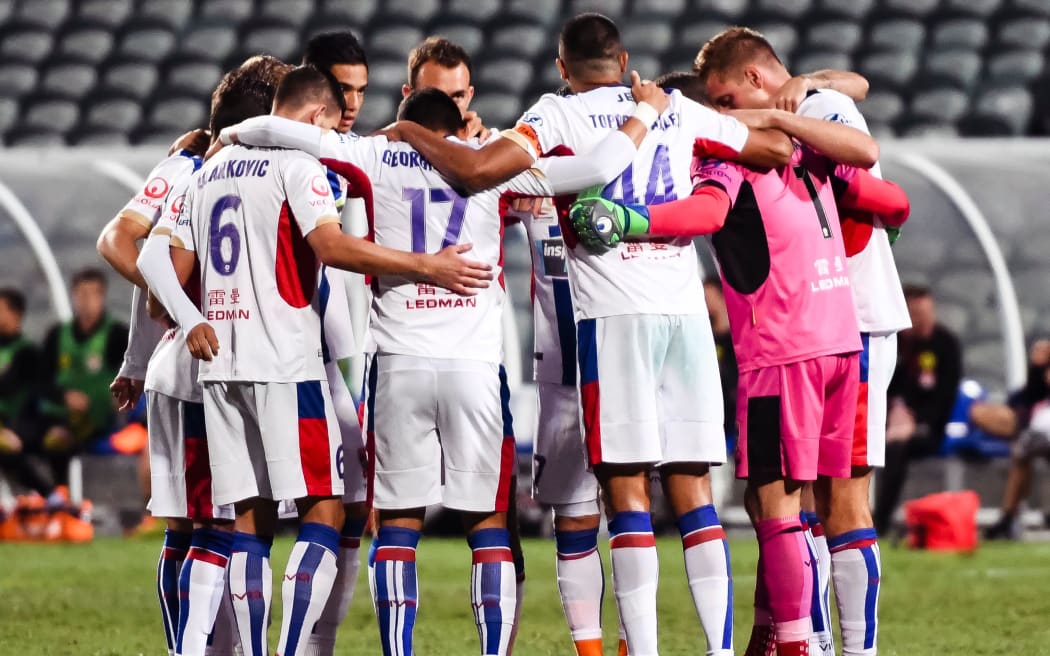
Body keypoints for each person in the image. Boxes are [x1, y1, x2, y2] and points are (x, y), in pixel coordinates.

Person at [378, 13, 799, 656]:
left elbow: (482, 170)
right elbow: (773, 150)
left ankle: (635, 649)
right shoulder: (672, 110)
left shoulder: (548, 119)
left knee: (622, 498)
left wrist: (414, 132)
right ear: (625, 59)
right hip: (667, 321)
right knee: (684, 499)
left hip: (609, 322)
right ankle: (702, 648)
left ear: (560, 67)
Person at [147, 66, 496, 656]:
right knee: (326, 512)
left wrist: (190, 318)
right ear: (316, 119)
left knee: (249, 523)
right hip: (287, 362)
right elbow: (331, 247)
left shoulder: (207, 171)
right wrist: (427, 265)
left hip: (221, 366)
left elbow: (157, 261)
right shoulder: (298, 168)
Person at [568, 95, 907, 656]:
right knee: (819, 505)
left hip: (782, 348)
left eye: (721, 102)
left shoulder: (729, 156)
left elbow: (707, 212)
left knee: (781, 508)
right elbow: (891, 199)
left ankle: (802, 644)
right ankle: (801, 641)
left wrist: (633, 220)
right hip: (846, 340)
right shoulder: (815, 145)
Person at [694, 26, 903, 656]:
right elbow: (853, 89)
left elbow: (864, 158)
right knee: (789, 502)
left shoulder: (812, 111)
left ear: (755, 81)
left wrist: (782, 104)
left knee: (840, 500)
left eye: (726, 99)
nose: (727, 114)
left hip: (850, 318)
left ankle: (848, 647)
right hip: (827, 319)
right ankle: (799, 635)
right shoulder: (805, 99)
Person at [301, 32, 373, 655]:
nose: (352, 102)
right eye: (342, 88)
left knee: (354, 508)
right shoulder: (294, 155)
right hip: (292, 352)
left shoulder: (356, 154)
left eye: (360, 90)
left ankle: (318, 645)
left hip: (337, 357)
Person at [875, 284, 963, 537]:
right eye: (914, 314)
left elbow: (945, 397)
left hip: (928, 427)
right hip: (889, 421)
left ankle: (880, 521)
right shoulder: (895, 344)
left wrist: (914, 420)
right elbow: (883, 385)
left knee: (896, 448)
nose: (920, 320)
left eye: (924, 313)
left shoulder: (946, 345)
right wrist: (893, 413)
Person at [39, 268, 129, 477]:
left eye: (93, 294)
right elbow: (41, 381)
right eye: (81, 294)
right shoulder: (57, 335)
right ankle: (55, 498)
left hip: (103, 418)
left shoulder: (118, 334)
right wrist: (64, 396)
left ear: (102, 296)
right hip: (62, 416)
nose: (87, 300)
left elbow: (136, 373)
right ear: (73, 296)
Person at [979, 339, 1050, 540]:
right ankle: (1009, 518)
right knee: (1021, 452)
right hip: (1039, 429)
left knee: (1022, 450)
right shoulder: (1041, 375)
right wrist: (1037, 368)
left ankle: (1009, 518)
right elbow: (1026, 397)